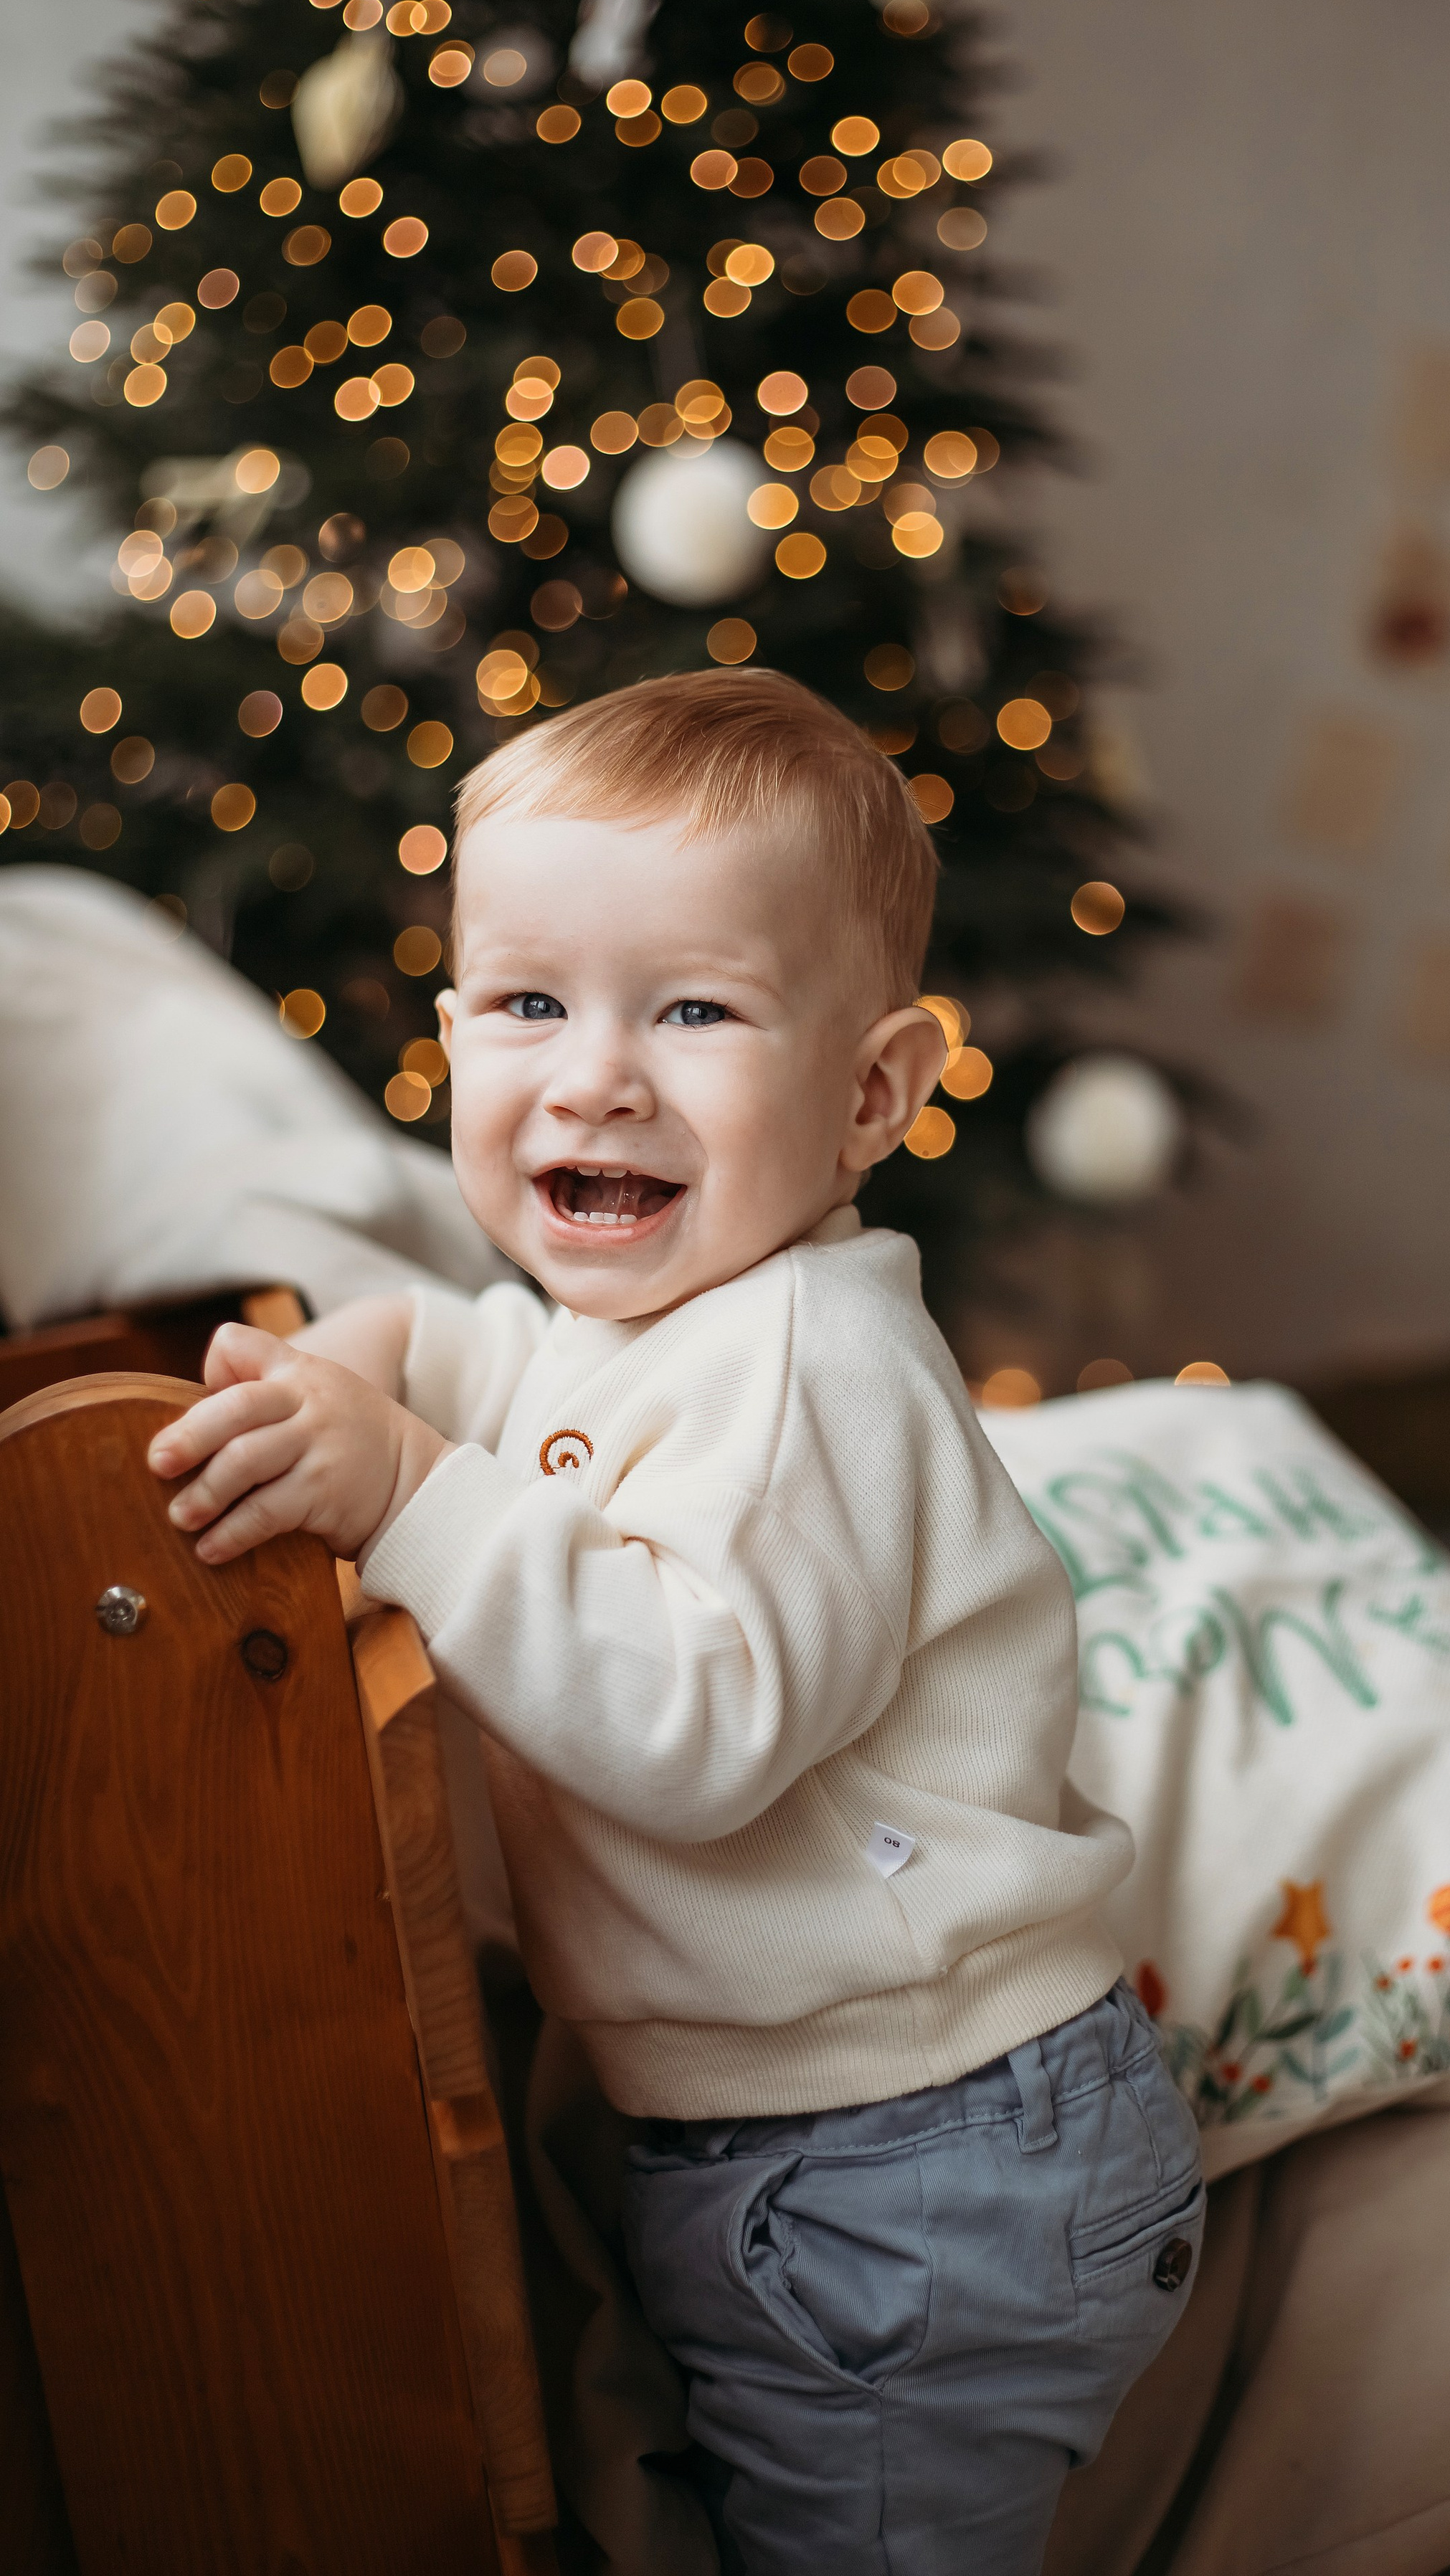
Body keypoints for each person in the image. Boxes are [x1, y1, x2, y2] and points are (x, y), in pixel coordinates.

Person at [144, 667, 1205, 2576]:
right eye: (531, 1003)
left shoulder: (815, 1368)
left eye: (694, 1009)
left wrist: (401, 1486)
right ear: (456, 1027)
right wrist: (360, 1362)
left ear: (873, 1089)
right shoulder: (639, 1319)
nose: (596, 1073)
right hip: (797, 2136)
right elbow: (498, 1366)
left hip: (919, 2164)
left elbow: (693, 1724)